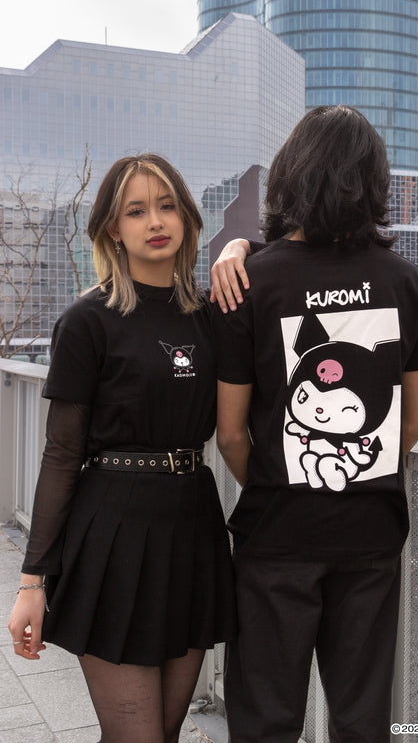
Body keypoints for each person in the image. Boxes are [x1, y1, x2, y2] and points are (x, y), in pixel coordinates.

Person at [214, 105, 418, 743]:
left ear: (290, 173)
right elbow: (412, 423)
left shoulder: (249, 282)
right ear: (373, 181)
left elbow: (229, 433)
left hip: (276, 533)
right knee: (361, 719)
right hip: (370, 532)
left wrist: (280, 481)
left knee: (266, 719)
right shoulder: (406, 282)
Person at [8, 153, 248, 743]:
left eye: (167, 206)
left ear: (187, 217)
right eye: (136, 211)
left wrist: (242, 246)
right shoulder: (87, 320)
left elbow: (286, 260)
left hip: (192, 528)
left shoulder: (209, 315)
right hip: (112, 533)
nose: (155, 221)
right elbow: (61, 454)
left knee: (165, 733)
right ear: (113, 228)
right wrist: (32, 583)